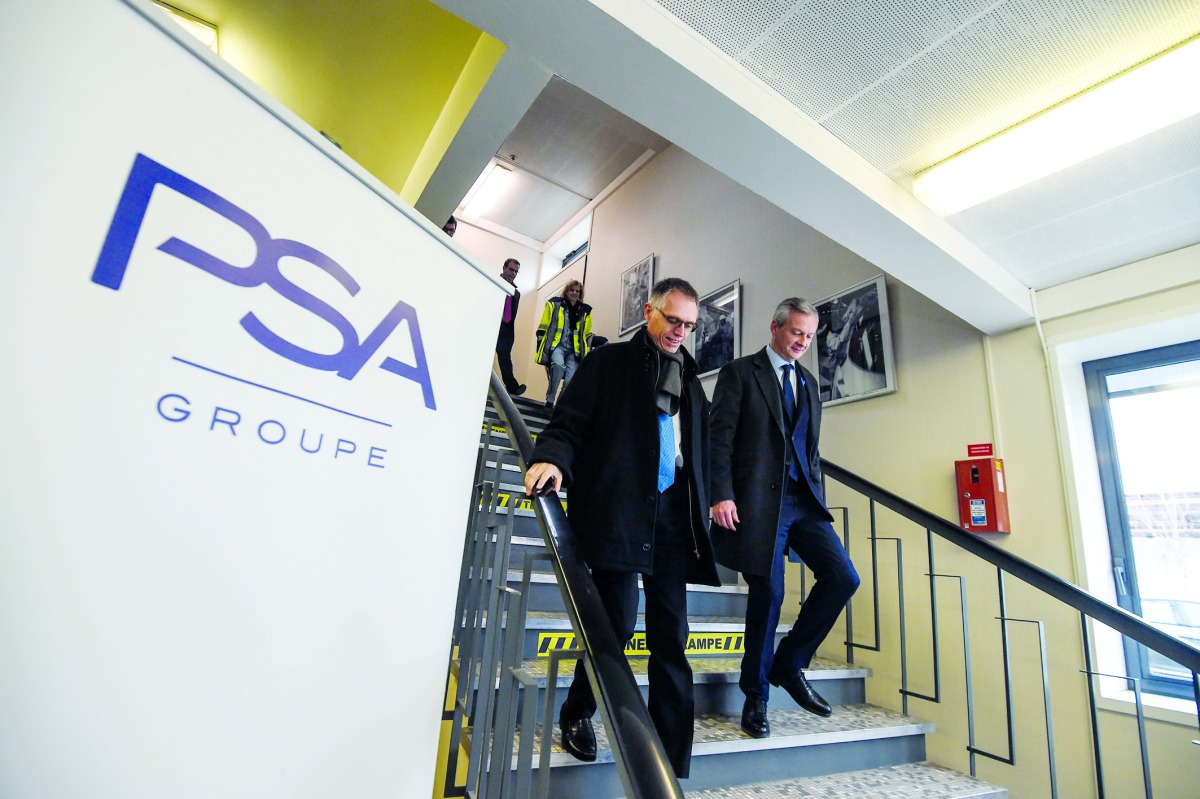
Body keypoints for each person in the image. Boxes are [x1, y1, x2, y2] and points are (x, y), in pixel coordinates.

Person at [524, 277, 720, 779]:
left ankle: (669, 759)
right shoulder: (608, 364)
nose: (680, 331)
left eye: (689, 325)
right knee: (616, 625)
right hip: (621, 512)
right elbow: (569, 423)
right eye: (673, 319)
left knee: (671, 634)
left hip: (673, 518)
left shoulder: (692, 382)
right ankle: (578, 713)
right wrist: (551, 459)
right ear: (649, 313)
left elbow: (699, 453)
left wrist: (716, 499)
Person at [709, 297, 860, 739]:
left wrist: (814, 492)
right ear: (775, 328)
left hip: (802, 502)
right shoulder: (740, 373)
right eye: (797, 333)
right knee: (769, 594)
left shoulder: (809, 382)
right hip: (757, 505)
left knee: (842, 577)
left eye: (810, 336)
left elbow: (810, 449)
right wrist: (722, 495)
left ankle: (789, 663)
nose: (803, 342)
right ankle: (756, 696)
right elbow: (718, 441)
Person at [534, 280, 593, 409]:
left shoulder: (584, 311)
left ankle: (559, 407)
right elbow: (543, 325)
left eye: (577, 291)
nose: (574, 293)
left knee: (570, 380)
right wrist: (540, 345)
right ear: (566, 291)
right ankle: (550, 399)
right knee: (558, 366)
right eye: (572, 290)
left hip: (574, 351)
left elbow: (586, 334)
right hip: (558, 346)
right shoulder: (555, 304)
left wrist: (597, 342)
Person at [495, 258, 526, 396]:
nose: (513, 273)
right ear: (504, 268)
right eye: (511, 270)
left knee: (505, 359)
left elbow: (512, 314)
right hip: (490, 325)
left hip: (505, 330)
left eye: (516, 272)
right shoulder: (493, 281)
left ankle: (512, 387)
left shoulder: (516, 293)